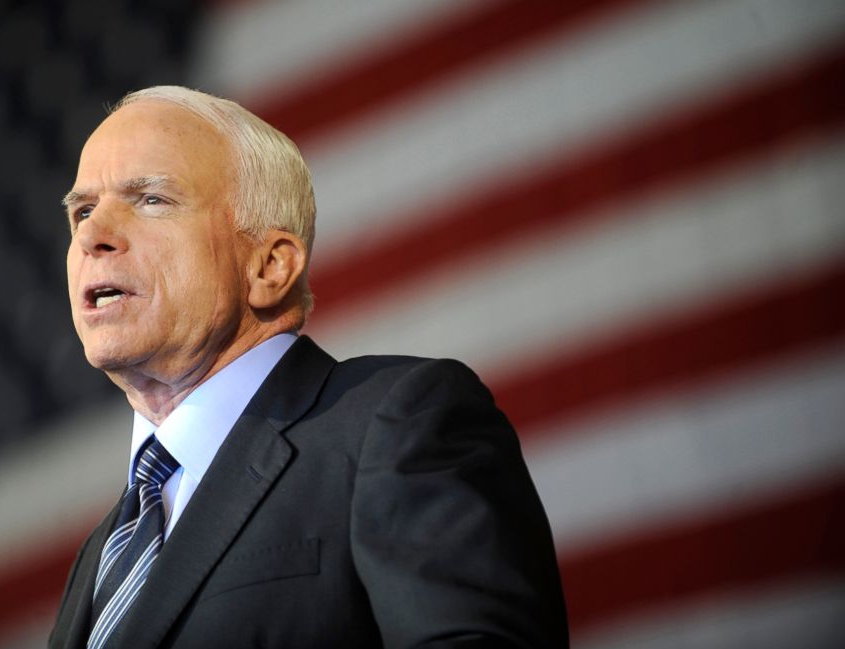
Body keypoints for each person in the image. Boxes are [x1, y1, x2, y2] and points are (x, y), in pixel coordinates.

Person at [49, 85, 568, 649]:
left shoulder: (394, 423)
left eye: (151, 199)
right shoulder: (107, 548)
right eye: (82, 210)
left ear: (270, 266)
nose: (92, 236)